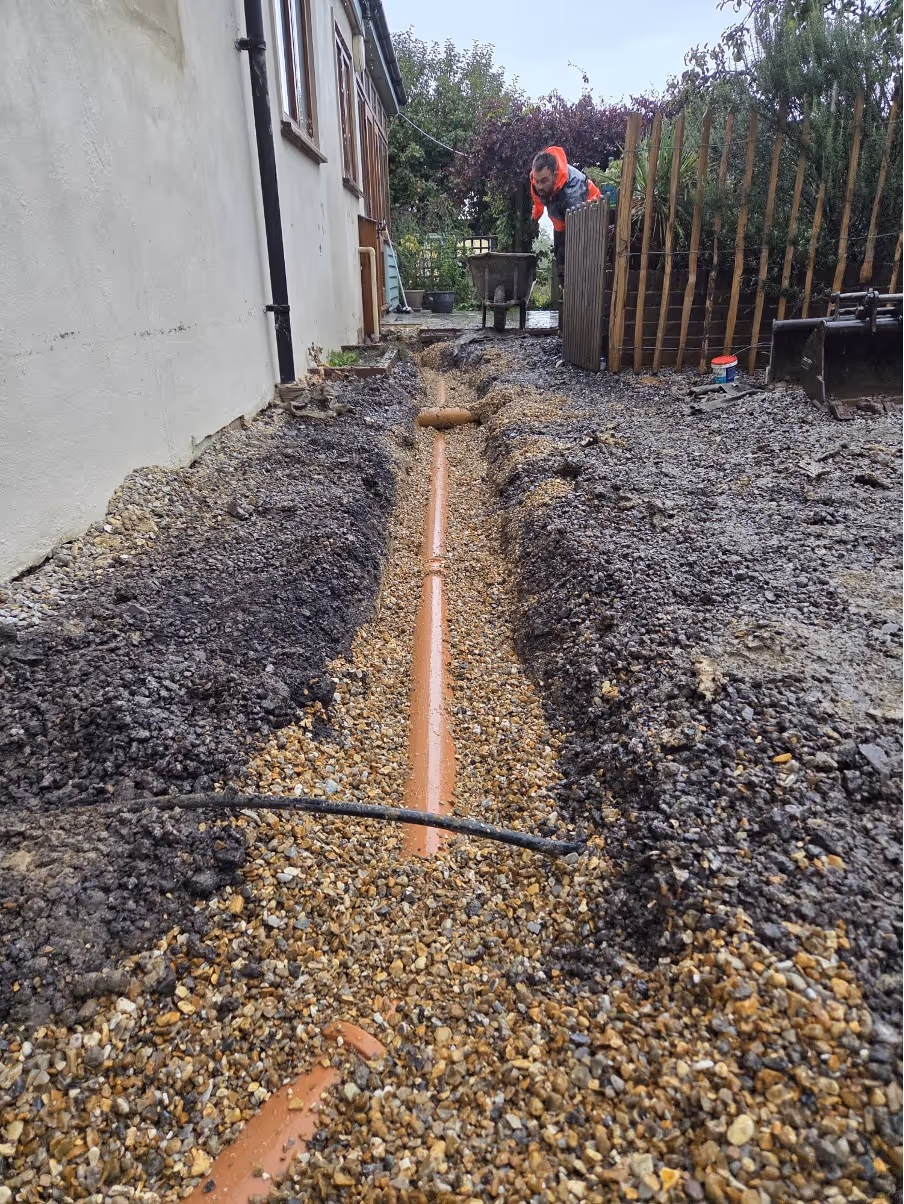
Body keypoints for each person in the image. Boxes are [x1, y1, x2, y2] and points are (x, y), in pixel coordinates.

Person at [530, 147, 602, 291]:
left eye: (544, 181)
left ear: (555, 175)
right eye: (537, 181)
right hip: (560, 222)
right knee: (560, 263)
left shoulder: (572, 190)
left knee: (575, 260)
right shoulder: (536, 180)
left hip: (587, 216)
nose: (539, 186)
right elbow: (537, 198)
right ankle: (564, 288)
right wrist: (536, 215)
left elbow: (577, 229)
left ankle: (575, 290)